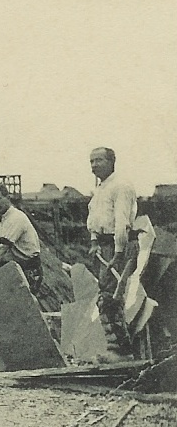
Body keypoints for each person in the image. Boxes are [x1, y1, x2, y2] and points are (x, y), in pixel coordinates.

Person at [87, 146, 139, 359]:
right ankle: (115, 348)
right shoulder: (100, 188)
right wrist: (94, 241)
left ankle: (122, 352)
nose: (94, 165)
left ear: (111, 161)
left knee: (111, 298)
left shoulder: (121, 186)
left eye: (98, 160)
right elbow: (93, 217)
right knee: (105, 296)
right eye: (91, 161)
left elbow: (121, 223)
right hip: (104, 247)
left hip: (119, 246)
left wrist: (118, 254)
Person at [0, 184, 42, 294]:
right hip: (14, 267)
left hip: (29, 269)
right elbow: (4, 251)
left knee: (25, 301)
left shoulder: (16, 217)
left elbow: (3, 247)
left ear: (8, 198)